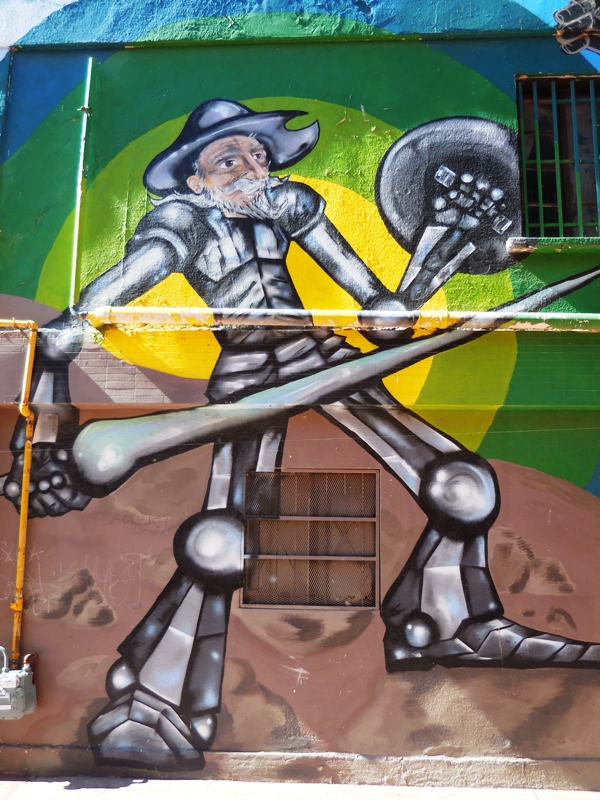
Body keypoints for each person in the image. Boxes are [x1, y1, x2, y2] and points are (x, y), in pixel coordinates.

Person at [5, 99, 600, 770]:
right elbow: (95, 306)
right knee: (222, 541)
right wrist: (50, 416)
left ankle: (447, 622)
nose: (250, 168)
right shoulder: (180, 225)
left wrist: (391, 307)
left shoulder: (289, 206)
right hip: (250, 375)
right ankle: (154, 699)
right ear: (194, 179)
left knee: (462, 485)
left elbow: (369, 301)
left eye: (257, 155)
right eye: (228, 158)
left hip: (320, 355)